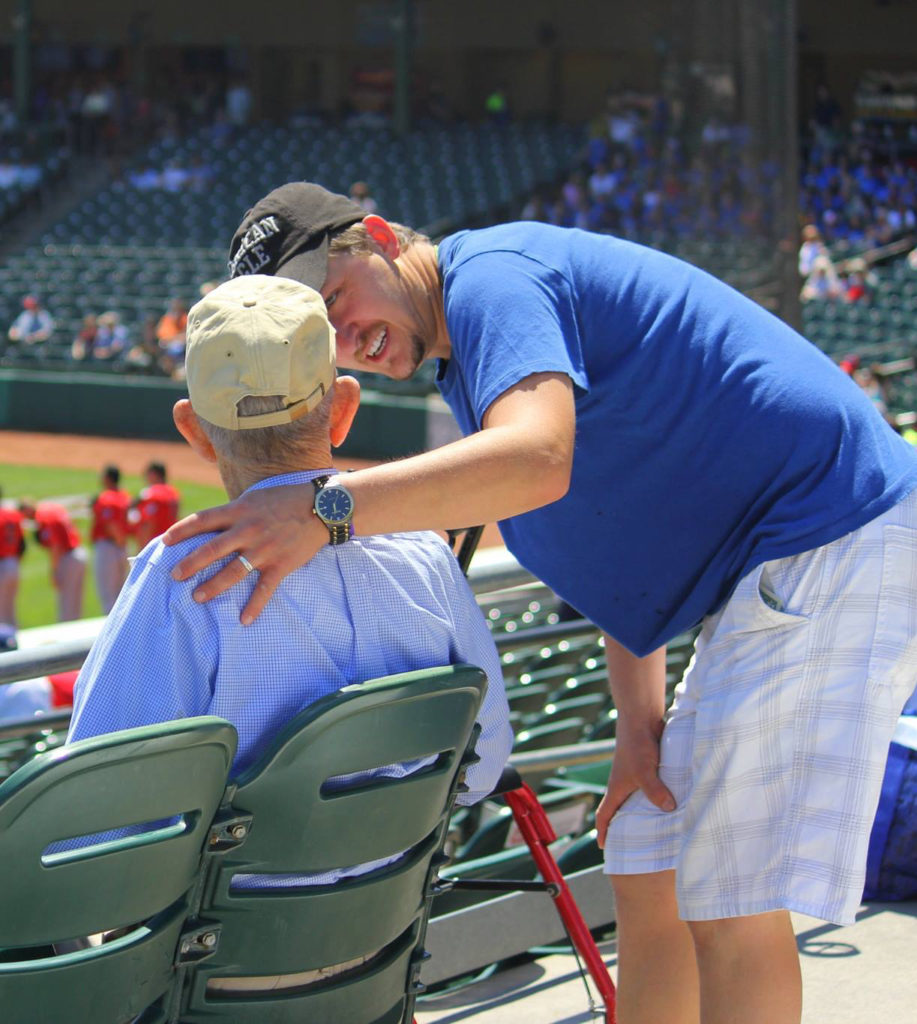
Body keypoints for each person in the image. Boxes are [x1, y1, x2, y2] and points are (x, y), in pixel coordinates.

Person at [166, 181, 917, 1024]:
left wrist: (322, 509)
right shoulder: (465, 349)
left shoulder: (490, 277)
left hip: (830, 529)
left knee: (728, 896)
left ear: (378, 235)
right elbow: (626, 550)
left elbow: (537, 457)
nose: (346, 339)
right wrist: (638, 728)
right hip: (775, 564)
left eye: (337, 298)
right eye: (320, 332)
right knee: (645, 856)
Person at [67, 273, 513, 900]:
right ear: (345, 408)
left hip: (214, 968)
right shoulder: (428, 558)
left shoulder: (180, 576)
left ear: (193, 430)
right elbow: (483, 764)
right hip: (383, 950)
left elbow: (89, 830)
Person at [19, 499, 87, 622]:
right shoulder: (52, 508)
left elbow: (56, 546)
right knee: (75, 603)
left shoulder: (43, 516)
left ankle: (68, 637)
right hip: (79, 554)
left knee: (67, 606)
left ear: (27, 509)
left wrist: (54, 571)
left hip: (68, 558)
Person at [90, 465, 131, 613]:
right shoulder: (125, 496)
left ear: (107, 478)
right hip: (123, 548)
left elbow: (110, 523)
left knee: (108, 597)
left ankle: (111, 635)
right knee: (122, 595)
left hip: (108, 548)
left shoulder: (105, 498)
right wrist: (122, 545)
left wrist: (118, 541)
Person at [130, 461, 180, 551]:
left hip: (154, 548)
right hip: (171, 544)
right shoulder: (173, 493)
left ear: (154, 474)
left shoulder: (151, 493)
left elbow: (148, 524)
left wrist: (142, 550)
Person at [0, 488, 25, 629]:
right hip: (13, 563)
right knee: (10, 607)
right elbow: (22, 544)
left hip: (2, 563)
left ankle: (4, 644)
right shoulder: (13, 514)